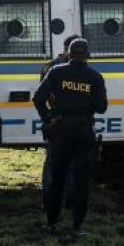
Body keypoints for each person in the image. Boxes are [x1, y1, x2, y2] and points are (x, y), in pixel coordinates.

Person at [33, 37, 108, 240]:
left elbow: (38, 97)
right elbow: (102, 107)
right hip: (84, 130)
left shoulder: (57, 71)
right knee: (82, 180)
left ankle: (52, 223)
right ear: (88, 55)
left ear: (69, 53)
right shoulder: (95, 76)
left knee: (57, 178)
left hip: (61, 129)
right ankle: (77, 226)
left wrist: (48, 117)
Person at [40, 34, 81, 204]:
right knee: (53, 161)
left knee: (72, 162)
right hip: (56, 122)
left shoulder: (76, 66)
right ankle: (50, 199)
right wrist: (52, 117)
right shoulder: (51, 67)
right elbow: (43, 96)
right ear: (66, 49)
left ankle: (69, 198)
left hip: (73, 122)